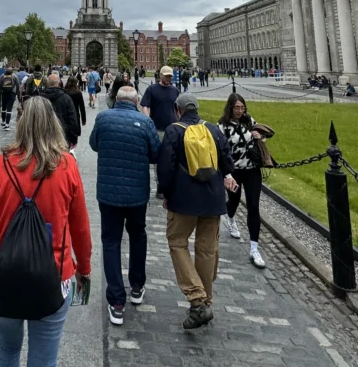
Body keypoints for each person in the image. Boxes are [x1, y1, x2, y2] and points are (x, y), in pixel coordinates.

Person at [0, 97, 92, 367]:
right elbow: (81, 227)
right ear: (54, 124)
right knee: (44, 359)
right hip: (55, 277)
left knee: (7, 350)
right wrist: (83, 268)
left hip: (6, 278)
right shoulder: (67, 165)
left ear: (20, 123)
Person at [157, 93, 236, 330]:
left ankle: (197, 298)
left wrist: (165, 193)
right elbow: (227, 161)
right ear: (197, 109)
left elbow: (166, 167)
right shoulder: (212, 129)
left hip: (184, 198)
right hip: (212, 198)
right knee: (207, 249)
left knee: (177, 242)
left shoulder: (174, 131)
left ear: (177, 109)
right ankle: (206, 300)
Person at [89, 86, 160, 326]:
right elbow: (155, 155)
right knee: (138, 237)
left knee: (111, 243)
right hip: (137, 195)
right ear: (137, 101)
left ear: (115, 99)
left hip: (108, 194)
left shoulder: (103, 118)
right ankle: (137, 287)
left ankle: (116, 301)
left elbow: (94, 144)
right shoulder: (145, 122)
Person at [217, 94, 270, 268]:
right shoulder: (222, 126)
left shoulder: (249, 120)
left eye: (242, 108)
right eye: (237, 108)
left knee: (254, 206)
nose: (240, 111)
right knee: (233, 201)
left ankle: (254, 248)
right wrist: (226, 174)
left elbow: (263, 138)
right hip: (235, 171)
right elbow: (221, 151)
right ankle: (231, 219)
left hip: (252, 169)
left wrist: (258, 136)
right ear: (230, 108)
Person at [39, 73, 82, 152]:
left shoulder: (39, 98)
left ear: (48, 83)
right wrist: (73, 139)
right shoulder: (66, 98)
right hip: (62, 137)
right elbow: (72, 120)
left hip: (43, 137)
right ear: (59, 83)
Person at [63, 76, 88, 140]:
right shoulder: (78, 93)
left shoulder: (63, 92)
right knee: (74, 136)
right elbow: (82, 107)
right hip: (75, 115)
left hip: (65, 115)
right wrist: (83, 119)